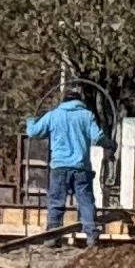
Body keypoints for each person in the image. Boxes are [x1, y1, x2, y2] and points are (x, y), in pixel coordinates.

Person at [29, 83, 107, 245]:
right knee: (86, 202)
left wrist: (31, 121)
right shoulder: (87, 116)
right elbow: (98, 137)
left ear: (64, 101)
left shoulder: (54, 115)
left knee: (56, 203)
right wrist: (111, 145)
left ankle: (53, 237)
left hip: (59, 167)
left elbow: (33, 132)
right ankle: (92, 236)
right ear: (80, 101)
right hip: (81, 168)